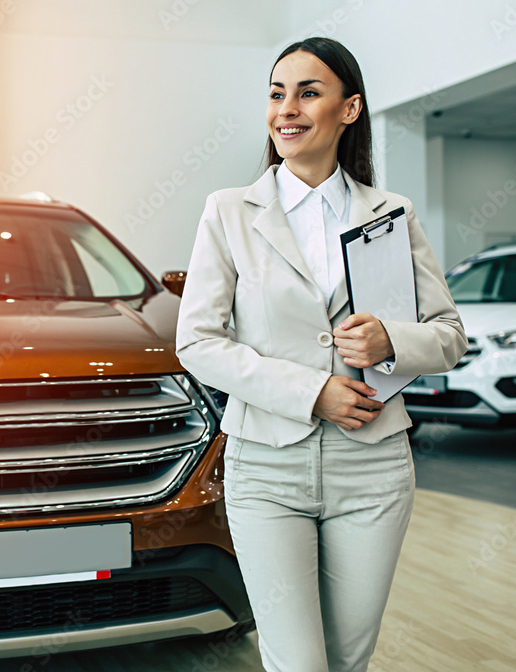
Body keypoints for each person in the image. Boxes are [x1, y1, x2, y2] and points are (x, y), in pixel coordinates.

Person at [175, 37, 467, 672]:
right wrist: (311, 391)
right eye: (277, 94)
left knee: (347, 659)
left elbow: (448, 334)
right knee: (299, 663)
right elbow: (196, 341)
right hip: (268, 470)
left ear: (350, 109)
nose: (288, 109)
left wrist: (394, 340)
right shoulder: (228, 212)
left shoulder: (392, 214)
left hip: (374, 471)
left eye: (309, 93)